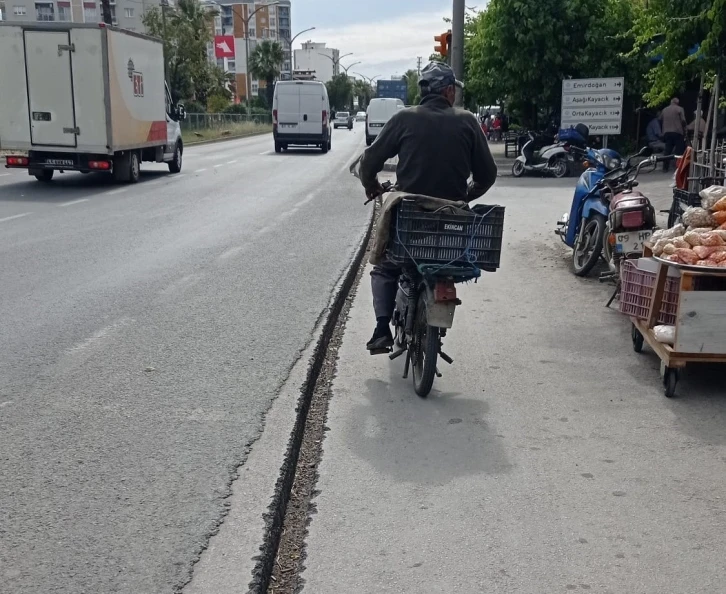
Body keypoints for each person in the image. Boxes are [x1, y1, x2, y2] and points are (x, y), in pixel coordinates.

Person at [358, 62, 498, 351]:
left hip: (410, 221)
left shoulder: (404, 119)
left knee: (385, 267)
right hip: (452, 224)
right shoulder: (468, 121)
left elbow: (369, 161)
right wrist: (466, 197)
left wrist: (370, 185)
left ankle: (382, 328)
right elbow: (488, 175)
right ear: (448, 91)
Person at [660, 97, 687, 172]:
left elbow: (660, 119)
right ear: (677, 103)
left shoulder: (664, 110)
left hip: (667, 132)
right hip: (677, 132)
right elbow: (683, 120)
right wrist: (684, 129)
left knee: (667, 150)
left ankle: (665, 168)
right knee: (679, 151)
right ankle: (678, 168)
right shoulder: (680, 109)